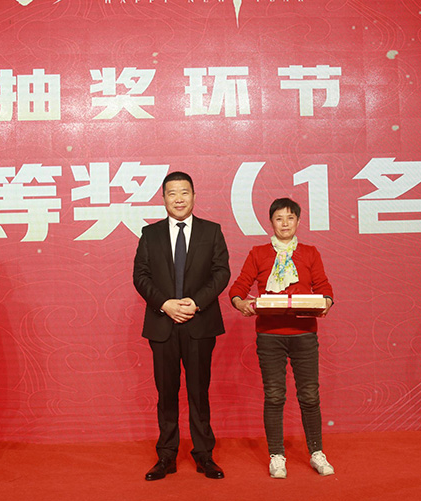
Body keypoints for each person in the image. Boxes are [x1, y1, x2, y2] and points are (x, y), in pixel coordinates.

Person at [132, 171, 231, 481]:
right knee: (166, 392)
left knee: (199, 391)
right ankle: (166, 456)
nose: (178, 199)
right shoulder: (150, 234)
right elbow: (140, 276)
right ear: (163, 198)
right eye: (172, 193)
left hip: (199, 322)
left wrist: (195, 303)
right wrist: (165, 304)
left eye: (184, 192)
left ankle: (204, 455)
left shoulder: (211, 231)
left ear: (194, 196)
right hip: (162, 323)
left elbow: (221, 272)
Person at [228, 198, 335, 478]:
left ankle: (316, 452)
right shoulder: (258, 253)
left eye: (290, 218)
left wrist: (326, 301)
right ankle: (277, 455)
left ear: (298, 221)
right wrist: (240, 303)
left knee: (309, 395)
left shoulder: (310, 252)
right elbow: (238, 287)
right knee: (274, 396)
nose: (285, 223)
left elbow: (324, 286)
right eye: (279, 218)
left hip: (304, 334)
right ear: (271, 222)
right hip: (269, 336)